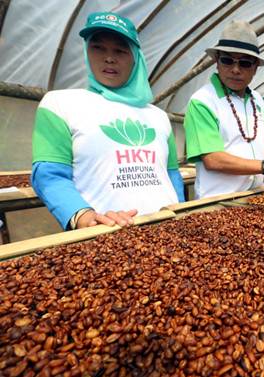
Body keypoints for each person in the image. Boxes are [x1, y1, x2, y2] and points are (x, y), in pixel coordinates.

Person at [31, 12, 184, 230]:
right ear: (86, 51)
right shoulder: (60, 104)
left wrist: (180, 211)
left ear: (135, 57)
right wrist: (83, 216)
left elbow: (171, 174)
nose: (109, 58)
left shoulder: (157, 116)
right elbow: (49, 175)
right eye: (98, 47)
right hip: (106, 236)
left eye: (120, 50)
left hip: (168, 229)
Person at [184, 20, 264, 199]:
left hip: (256, 195)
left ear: (255, 68)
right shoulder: (203, 101)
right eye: (227, 61)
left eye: (245, 63)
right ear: (217, 63)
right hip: (218, 201)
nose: (235, 70)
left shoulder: (257, 100)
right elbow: (212, 159)